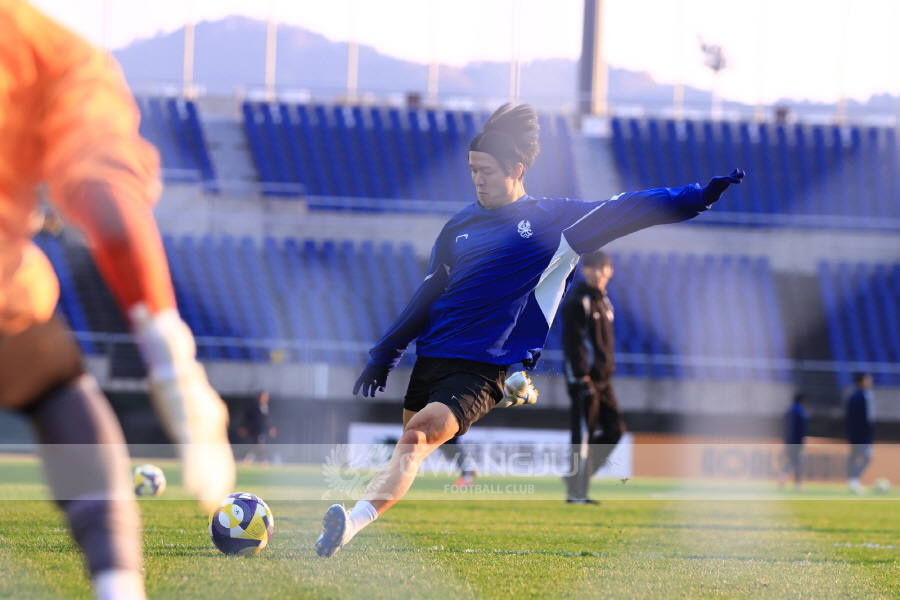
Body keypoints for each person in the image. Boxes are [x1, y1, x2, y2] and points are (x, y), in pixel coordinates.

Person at [315, 102, 745, 558]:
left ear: (516, 170)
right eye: (472, 170)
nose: (477, 180)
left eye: (486, 171)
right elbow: (427, 294)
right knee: (411, 449)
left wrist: (696, 197)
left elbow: (625, 208)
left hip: (483, 367)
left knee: (417, 437)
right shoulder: (458, 226)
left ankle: (349, 527)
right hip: (433, 357)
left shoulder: (552, 222)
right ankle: (500, 400)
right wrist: (384, 353)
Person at [0, 2, 234, 598]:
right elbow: (105, 193)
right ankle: (116, 583)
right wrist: (170, 357)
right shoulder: (49, 51)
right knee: (52, 379)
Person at [561, 250, 622, 504]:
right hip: (584, 379)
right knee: (583, 435)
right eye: (592, 267)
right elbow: (572, 343)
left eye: (602, 267)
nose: (598, 272)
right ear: (584, 270)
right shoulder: (578, 301)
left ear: (610, 271)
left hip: (604, 380)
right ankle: (576, 493)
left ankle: (576, 478)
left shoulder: (605, 302)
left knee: (615, 430)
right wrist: (580, 375)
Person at [846, 372, 874, 494]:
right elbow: (862, 418)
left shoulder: (855, 396)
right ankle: (853, 480)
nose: (870, 381)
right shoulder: (861, 396)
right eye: (867, 379)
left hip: (856, 433)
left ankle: (853, 480)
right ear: (861, 381)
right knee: (864, 456)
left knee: (856, 456)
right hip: (860, 434)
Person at [778, 392, 809, 491]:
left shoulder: (789, 410)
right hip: (796, 441)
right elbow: (801, 429)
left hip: (788, 441)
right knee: (797, 462)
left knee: (793, 461)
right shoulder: (800, 411)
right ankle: (797, 484)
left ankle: (784, 474)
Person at [238, 390, 277, 465]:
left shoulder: (266, 407)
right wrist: (244, 427)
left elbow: (267, 420)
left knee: (257, 444)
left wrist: (271, 428)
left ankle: (249, 459)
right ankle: (261, 460)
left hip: (263, 430)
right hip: (256, 429)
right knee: (259, 444)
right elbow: (248, 418)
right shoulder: (253, 407)